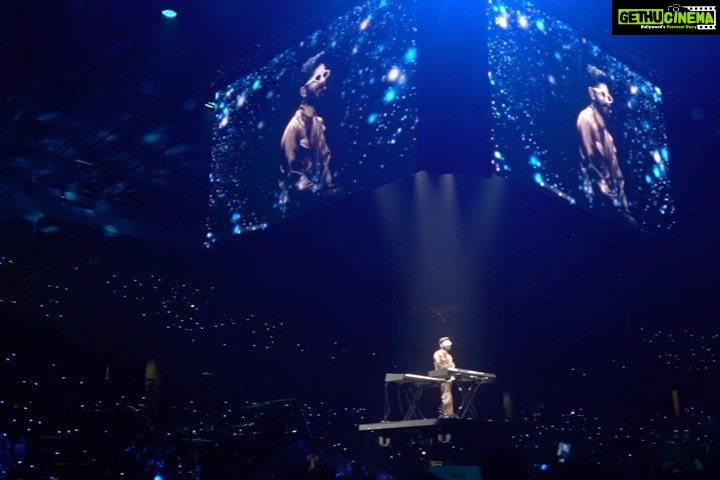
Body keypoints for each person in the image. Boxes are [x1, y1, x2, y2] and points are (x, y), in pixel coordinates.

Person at [576, 66, 635, 224]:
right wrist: (617, 209)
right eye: (603, 95)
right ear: (592, 93)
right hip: (599, 211)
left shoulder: (607, 134)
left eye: (609, 96)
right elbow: (594, 170)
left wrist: (624, 211)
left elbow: (617, 175)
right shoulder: (586, 119)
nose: (609, 101)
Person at [279, 61, 337, 207]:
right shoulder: (293, 129)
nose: (323, 81)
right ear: (303, 91)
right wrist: (320, 194)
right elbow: (294, 178)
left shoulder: (319, 123)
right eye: (317, 78)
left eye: (325, 74)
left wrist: (330, 189)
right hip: (300, 208)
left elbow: (325, 161)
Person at [433, 337, 456, 418]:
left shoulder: (449, 356)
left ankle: (446, 413)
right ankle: (447, 415)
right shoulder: (438, 353)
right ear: (441, 345)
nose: (449, 346)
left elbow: (452, 366)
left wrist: (452, 374)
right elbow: (441, 365)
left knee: (449, 396)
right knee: (447, 396)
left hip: (449, 378)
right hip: (442, 378)